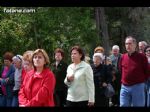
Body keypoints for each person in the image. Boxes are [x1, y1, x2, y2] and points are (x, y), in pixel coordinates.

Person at [119, 36, 149, 107]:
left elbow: (147, 71)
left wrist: (142, 83)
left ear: (135, 45)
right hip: (124, 87)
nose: (128, 46)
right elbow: (121, 70)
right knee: (123, 105)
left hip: (138, 86)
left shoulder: (142, 57)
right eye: (126, 44)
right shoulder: (123, 57)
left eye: (130, 43)